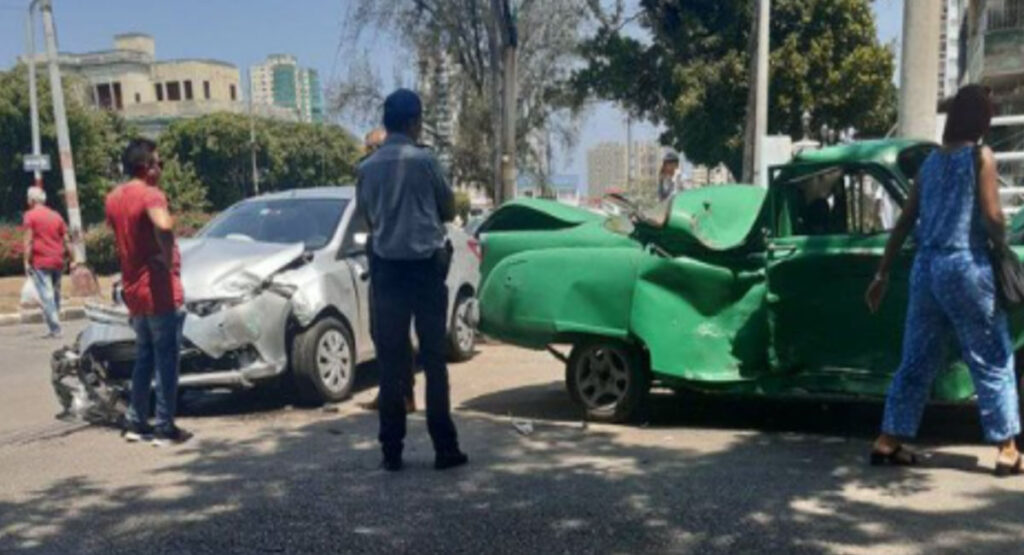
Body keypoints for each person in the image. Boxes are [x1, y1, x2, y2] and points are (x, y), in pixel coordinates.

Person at [865, 85, 1021, 475]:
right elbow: (992, 217)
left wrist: (881, 273)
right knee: (991, 355)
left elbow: (903, 223)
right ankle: (1006, 449)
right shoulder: (979, 157)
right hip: (965, 267)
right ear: (981, 121)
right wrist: (1002, 245)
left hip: (926, 271)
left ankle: (888, 440)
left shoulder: (930, 165)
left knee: (916, 359)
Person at [356, 89, 466, 472]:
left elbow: (365, 219)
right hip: (425, 269)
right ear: (413, 122)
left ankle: (391, 450)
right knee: (434, 361)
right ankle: (444, 448)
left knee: (391, 363)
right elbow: (449, 209)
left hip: (387, 270)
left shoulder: (366, 169)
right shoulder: (426, 162)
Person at [106, 138, 191, 447]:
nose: (161, 169)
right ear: (146, 168)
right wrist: (166, 261)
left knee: (143, 357)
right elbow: (164, 227)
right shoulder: (152, 195)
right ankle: (165, 427)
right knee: (167, 359)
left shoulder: (113, 198)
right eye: (159, 163)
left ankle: (136, 421)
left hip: (134, 291)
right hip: (159, 290)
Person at [358, 127, 417, 414]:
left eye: (374, 147)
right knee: (381, 332)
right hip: (381, 262)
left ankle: (404, 395)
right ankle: (390, 392)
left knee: (395, 333)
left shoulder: (400, 179)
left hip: (397, 265)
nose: (370, 154)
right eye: (368, 148)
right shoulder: (369, 177)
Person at [22, 186, 73, 338]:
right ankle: (54, 325)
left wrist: (25, 261)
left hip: (40, 261)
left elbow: (28, 241)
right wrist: (73, 258)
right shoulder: (56, 215)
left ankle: (55, 328)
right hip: (58, 260)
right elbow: (66, 239)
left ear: (31, 200)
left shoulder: (30, 216)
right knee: (55, 294)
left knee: (47, 295)